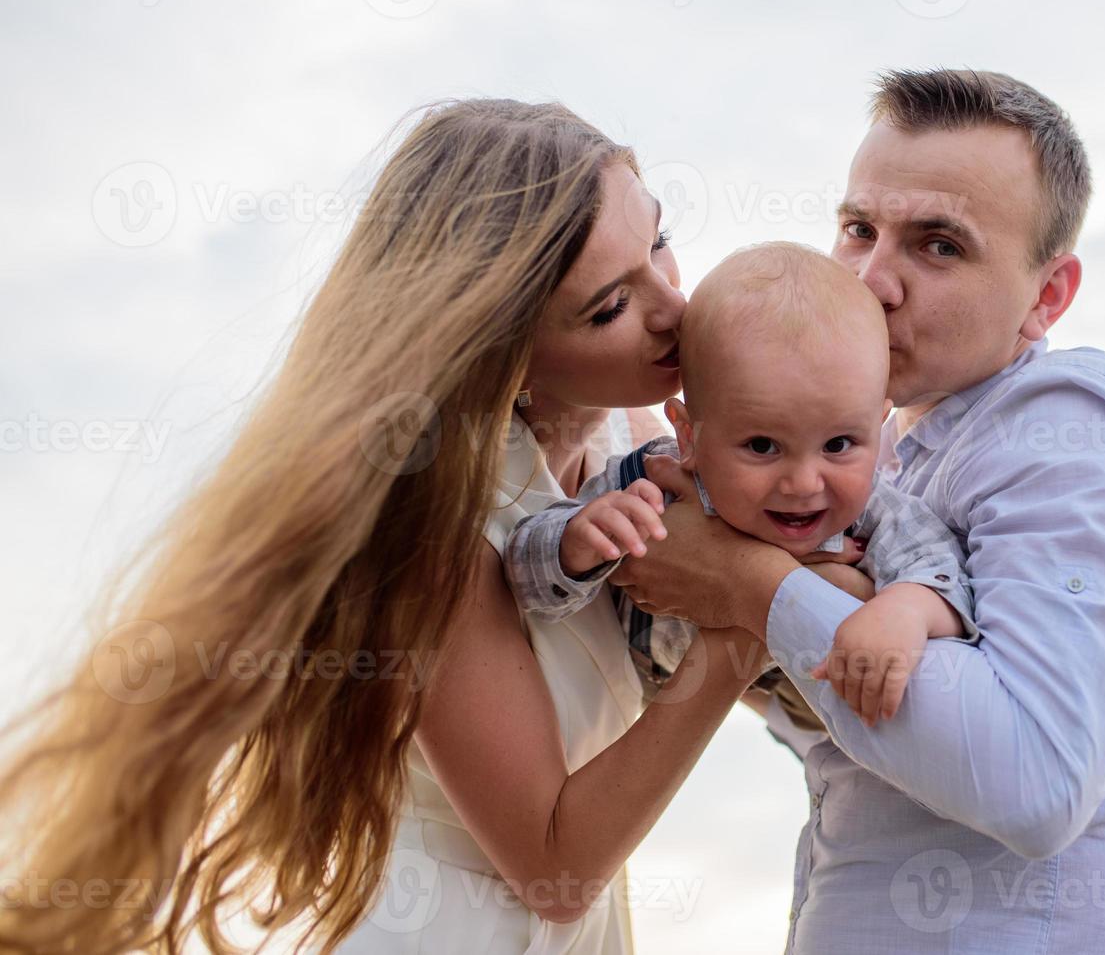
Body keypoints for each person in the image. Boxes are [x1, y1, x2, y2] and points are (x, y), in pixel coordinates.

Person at [0, 99, 767, 955]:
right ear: (503, 350)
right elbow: (559, 860)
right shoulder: (437, 518)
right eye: (609, 307)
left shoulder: (643, 443)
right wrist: (742, 635)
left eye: (658, 239)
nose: (675, 305)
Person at [608, 69, 1105, 953]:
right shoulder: (862, 457)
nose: (871, 280)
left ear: (1047, 296)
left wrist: (750, 585)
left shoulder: (1068, 431)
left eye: (938, 246)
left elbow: (1035, 781)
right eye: (858, 229)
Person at [502, 242, 977, 729]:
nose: (803, 483)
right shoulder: (647, 482)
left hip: (804, 693)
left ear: (879, 426)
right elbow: (522, 578)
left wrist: (906, 611)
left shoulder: (877, 510)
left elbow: (945, 576)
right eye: (762, 446)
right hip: (645, 688)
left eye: (838, 444)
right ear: (689, 435)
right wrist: (575, 542)